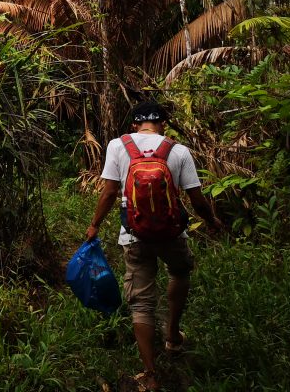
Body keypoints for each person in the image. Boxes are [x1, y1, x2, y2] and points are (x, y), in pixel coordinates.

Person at [84, 100, 223, 392]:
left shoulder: (117, 146)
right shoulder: (178, 150)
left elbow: (109, 193)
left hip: (134, 235)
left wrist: (95, 224)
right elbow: (196, 199)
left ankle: (150, 374)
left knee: (142, 302)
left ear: (134, 125)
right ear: (163, 124)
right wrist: (212, 220)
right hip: (172, 234)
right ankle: (172, 334)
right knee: (180, 272)